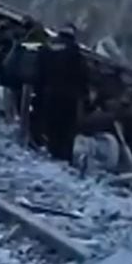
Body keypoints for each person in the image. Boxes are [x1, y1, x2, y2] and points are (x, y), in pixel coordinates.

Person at [36, 24, 88, 163]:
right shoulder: (74, 50)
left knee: (50, 131)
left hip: (48, 96)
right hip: (67, 100)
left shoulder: (46, 47)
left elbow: (39, 73)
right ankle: (64, 160)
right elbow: (82, 77)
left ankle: (50, 155)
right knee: (65, 134)